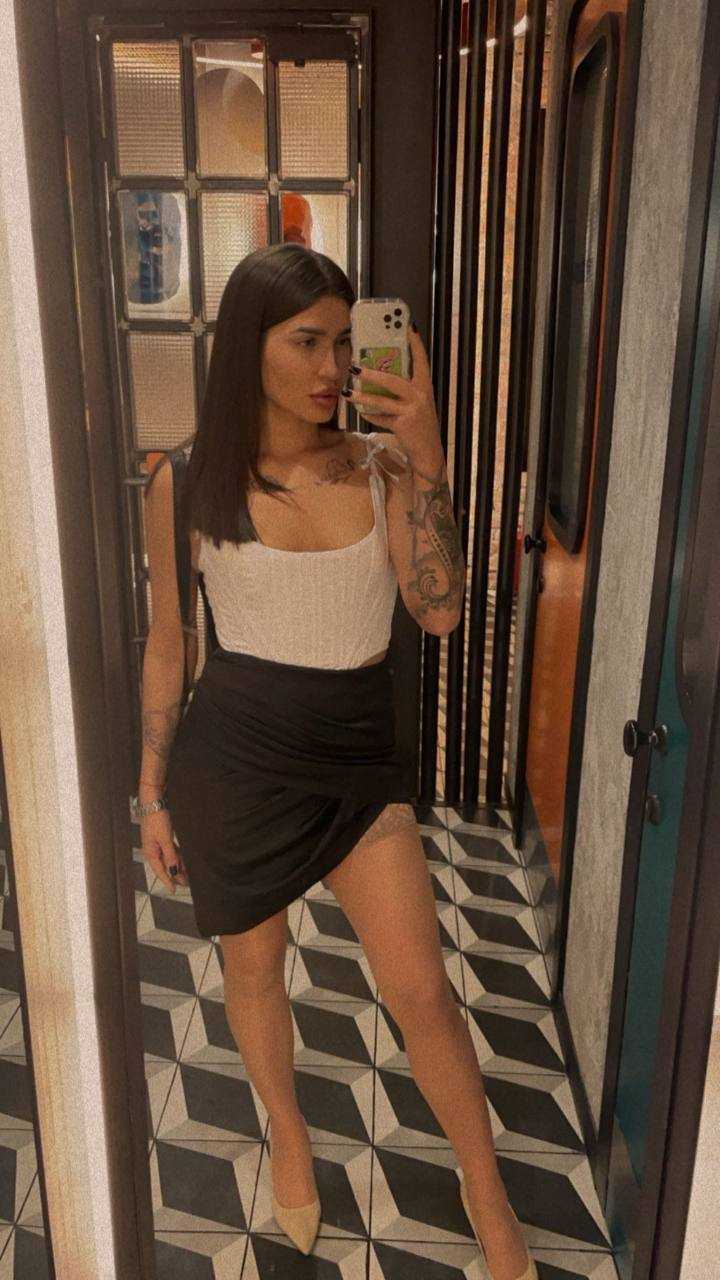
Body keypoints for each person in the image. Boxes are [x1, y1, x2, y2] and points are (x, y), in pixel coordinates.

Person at [137, 243, 537, 1280]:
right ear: (249, 346)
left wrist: (429, 456)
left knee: (424, 992)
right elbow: (170, 645)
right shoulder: (183, 479)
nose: (331, 368)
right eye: (305, 342)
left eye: (343, 343)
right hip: (233, 762)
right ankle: (289, 1130)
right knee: (255, 973)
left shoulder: (383, 466)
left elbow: (438, 612)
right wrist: (150, 794)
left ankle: (486, 1192)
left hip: (358, 762)